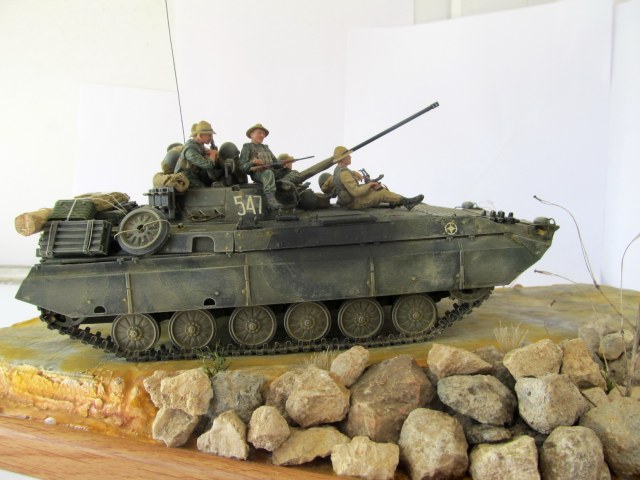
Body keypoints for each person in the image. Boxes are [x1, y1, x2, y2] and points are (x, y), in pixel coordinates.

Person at [331, 145, 424, 210]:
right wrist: (370, 184)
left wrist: (354, 173)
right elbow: (356, 192)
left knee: (377, 188)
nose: (350, 156)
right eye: (347, 155)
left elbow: (344, 178)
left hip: (347, 200)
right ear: (342, 159)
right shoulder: (344, 174)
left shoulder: (338, 169)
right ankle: (407, 202)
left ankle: (397, 201)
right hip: (354, 203)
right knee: (381, 193)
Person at [239, 123, 296, 210]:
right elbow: (242, 167)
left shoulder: (266, 148)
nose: (262, 135)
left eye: (263, 134)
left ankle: (281, 184)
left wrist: (283, 164)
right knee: (268, 173)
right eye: (259, 133)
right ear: (251, 134)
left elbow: (275, 163)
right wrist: (252, 162)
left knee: (293, 172)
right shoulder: (247, 147)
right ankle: (271, 199)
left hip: (271, 172)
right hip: (259, 173)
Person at [174, 120, 223, 188]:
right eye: (209, 135)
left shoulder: (199, 145)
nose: (211, 138)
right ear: (200, 135)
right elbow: (208, 165)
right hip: (184, 178)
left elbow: (206, 153)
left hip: (194, 174)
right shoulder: (190, 150)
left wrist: (212, 153)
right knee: (205, 190)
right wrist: (213, 154)